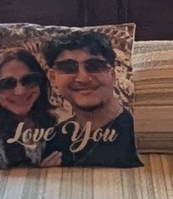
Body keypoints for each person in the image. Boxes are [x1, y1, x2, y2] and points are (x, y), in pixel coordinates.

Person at [42, 30, 140, 168]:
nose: (83, 78)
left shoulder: (135, 132)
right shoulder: (55, 138)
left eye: (95, 66)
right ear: (53, 78)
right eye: (69, 67)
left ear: (113, 75)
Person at [0, 47, 61, 169]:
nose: (20, 91)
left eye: (29, 80)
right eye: (7, 84)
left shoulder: (58, 120)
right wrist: (39, 173)